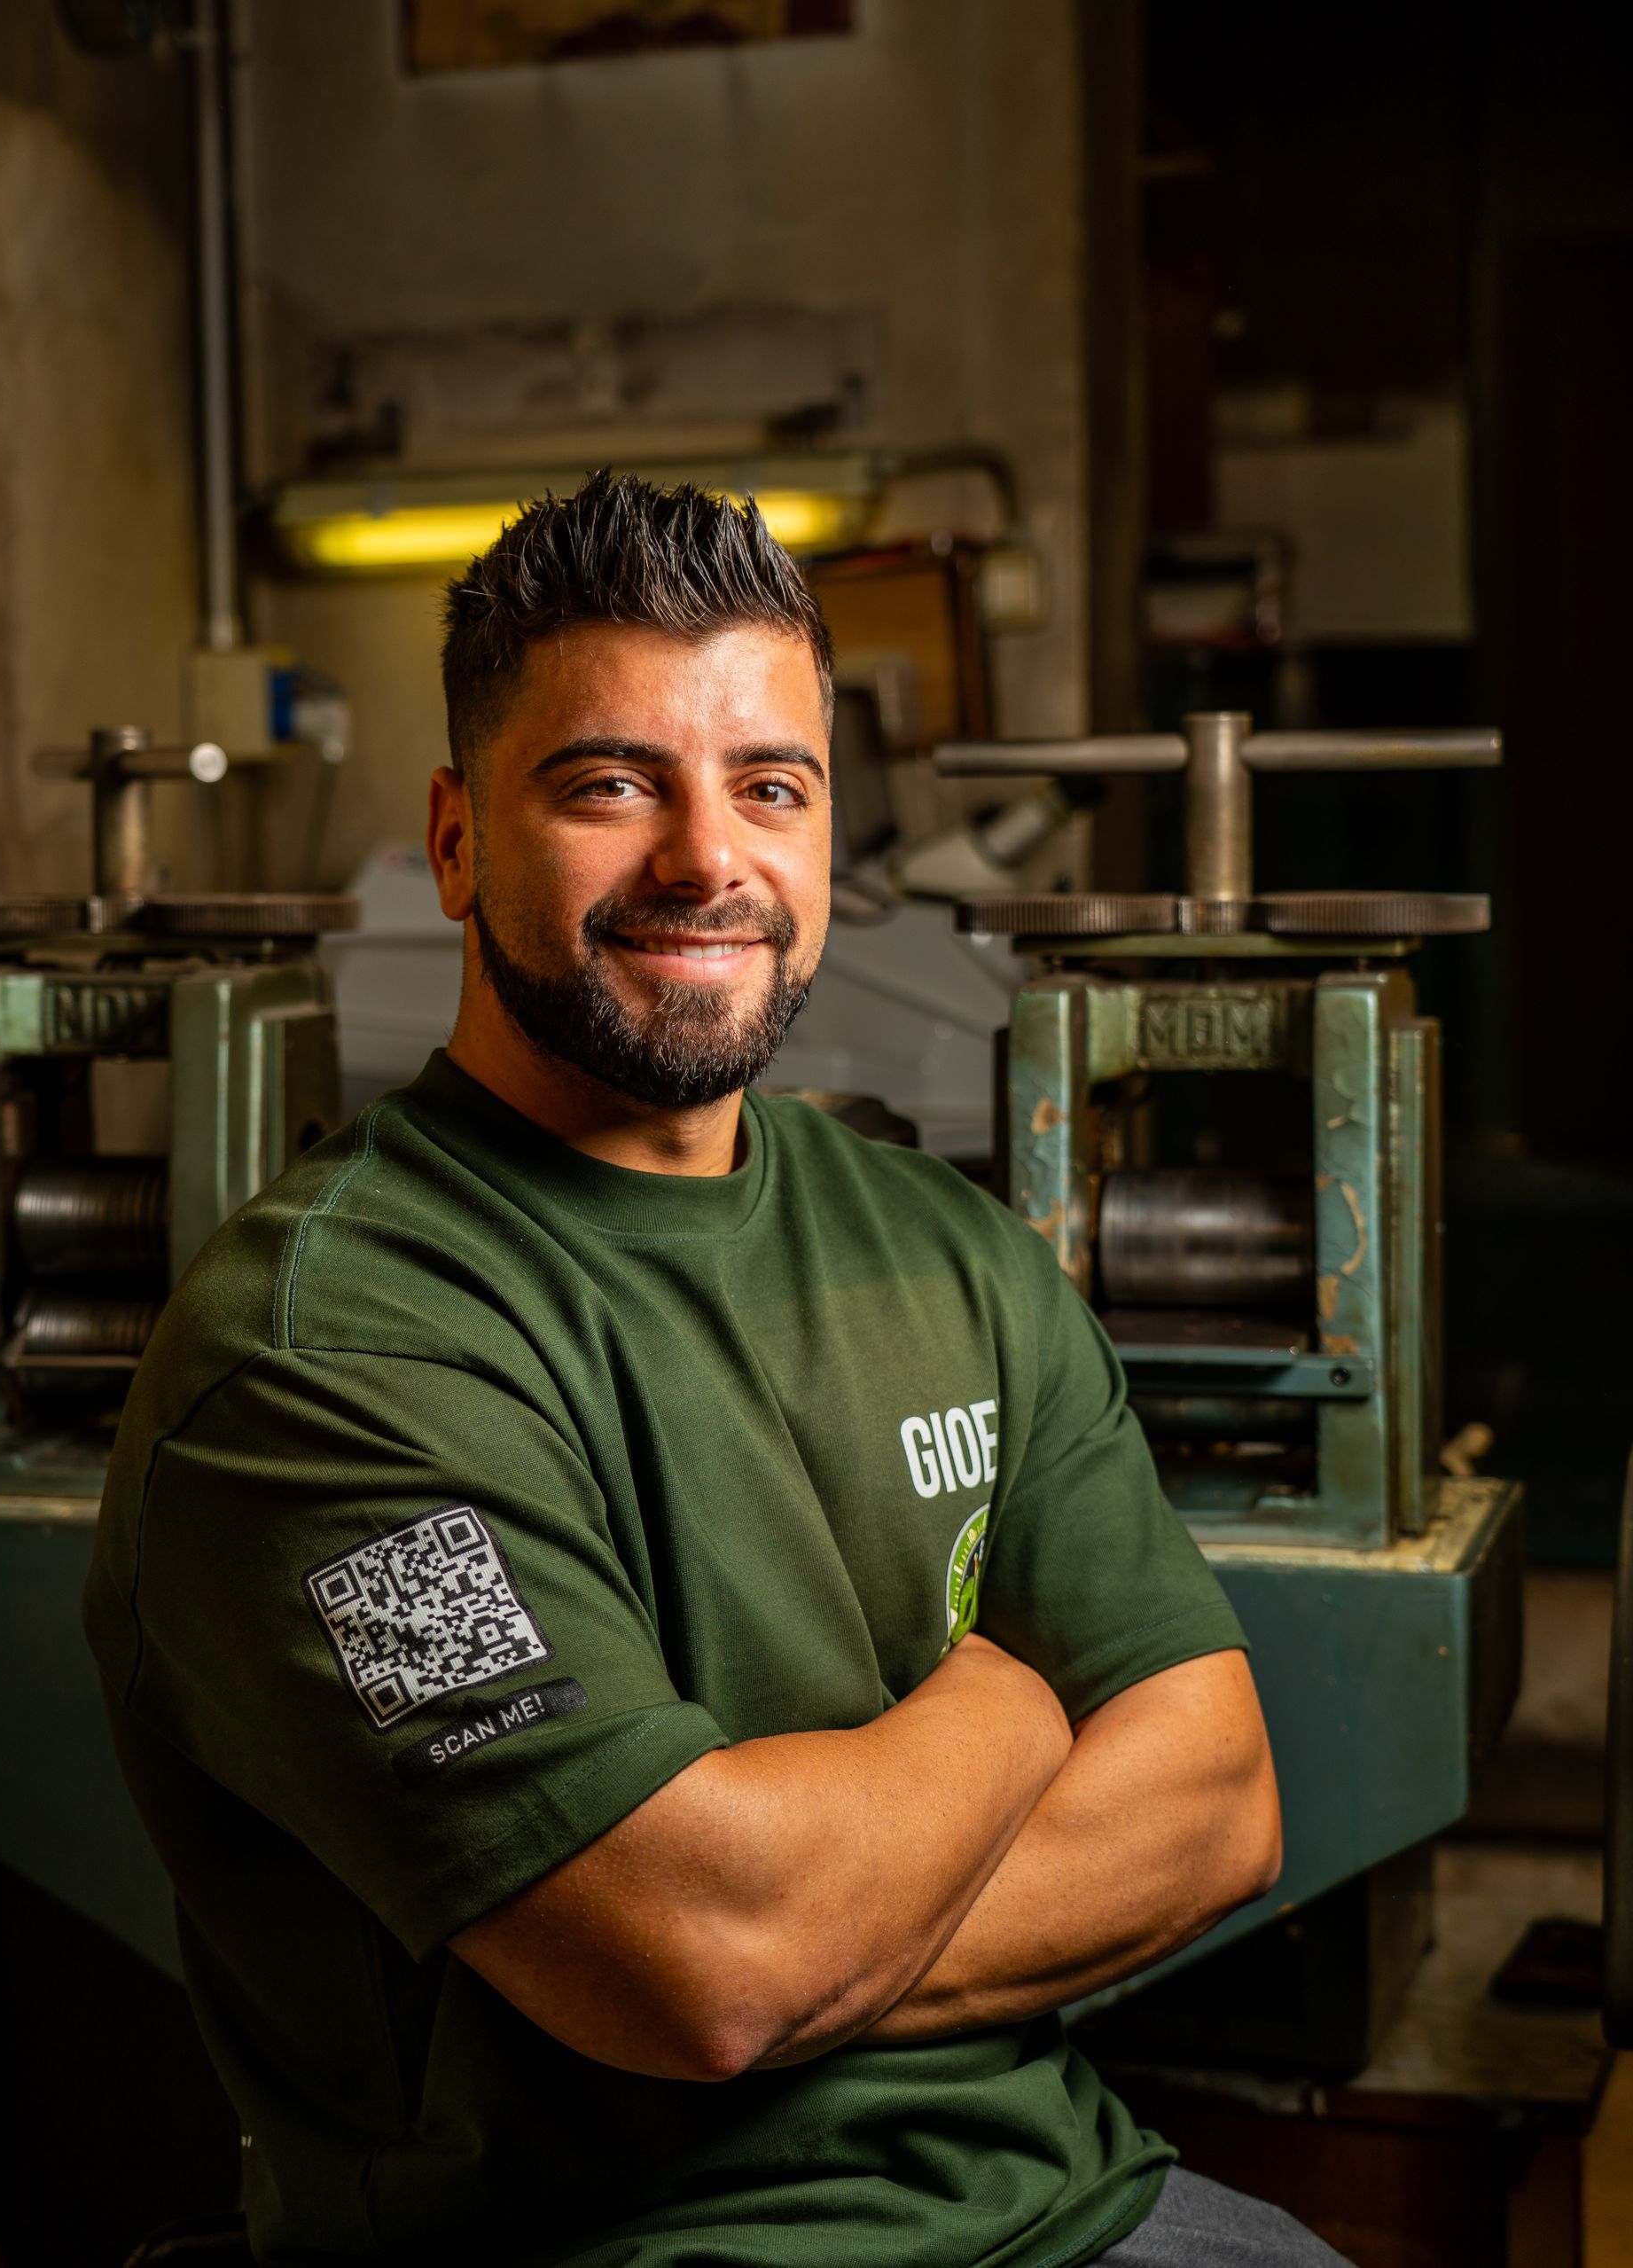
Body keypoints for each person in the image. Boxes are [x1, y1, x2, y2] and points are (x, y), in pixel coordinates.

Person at [85, 472, 1351, 2267]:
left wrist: (797, 1941)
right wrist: (1008, 1704)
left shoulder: (948, 1248)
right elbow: (703, 1959)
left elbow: (1217, 1803)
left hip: (1069, 2209)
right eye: (610, 784)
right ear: (455, 841)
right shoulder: (319, 1359)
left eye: (771, 785)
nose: (706, 858)